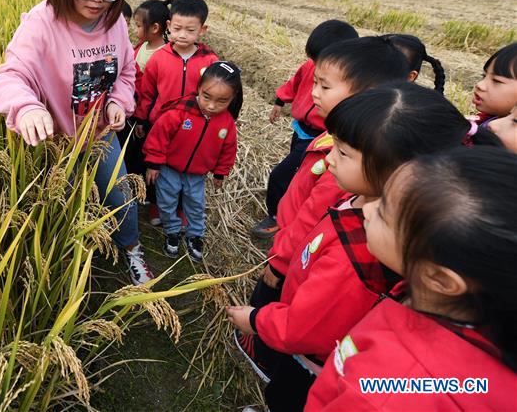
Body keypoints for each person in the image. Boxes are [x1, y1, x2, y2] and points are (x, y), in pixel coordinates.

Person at [228, 83, 497, 412]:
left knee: (287, 398)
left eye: (342, 152)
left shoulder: (358, 261)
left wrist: (257, 320)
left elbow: (305, 327)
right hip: (324, 354)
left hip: (312, 363)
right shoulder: (376, 214)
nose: (370, 211)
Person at [0, 0, 153, 285]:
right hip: (58, 142)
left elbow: (126, 71)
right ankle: (71, 271)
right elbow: (9, 76)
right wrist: (28, 107)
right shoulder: (42, 22)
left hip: (100, 134)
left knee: (119, 191)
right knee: (62, 206)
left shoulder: (113, 23)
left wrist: (118, 101)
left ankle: (130, 249)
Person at [306, 147, 517, 410]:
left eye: (383, 212)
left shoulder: (390, 390)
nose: (368, 210)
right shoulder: (481, 313)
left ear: (441, 279)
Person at [252, 37, 410, 309]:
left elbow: (311, 216)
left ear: (368, 95)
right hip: (290, 242)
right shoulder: (334, 136)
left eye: (324, 86)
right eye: (315, 82)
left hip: (297, 257)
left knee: (270, 307)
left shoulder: (345, 166)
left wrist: (279, 263)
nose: (314, 92)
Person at [253, 20, 359, 239]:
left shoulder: (348, 84)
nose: (316, 91)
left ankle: (277, 218)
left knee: (280, 177)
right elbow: (295, 82)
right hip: (301, 130)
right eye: (314, 59)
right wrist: (280, 101)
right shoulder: (310, 67)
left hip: (318, 139)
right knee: (294, 176)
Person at [143, 61, 242, 262]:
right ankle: (172, 231)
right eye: (206, 97)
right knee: (167, 200)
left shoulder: (226, 123)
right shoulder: (180, 111)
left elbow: (228, 149)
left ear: (232, 99)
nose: (212, 106)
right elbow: (158, 136)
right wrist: (153, 163)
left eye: (222, 101)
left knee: (196, 204)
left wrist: (220, 173)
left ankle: (195, 234)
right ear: (198, 88)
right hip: (169, 169)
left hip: (197, 174)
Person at [120, 0, 172, 219]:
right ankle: (136, 190)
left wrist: (143, 118)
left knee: (152, 160)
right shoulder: (140, 48)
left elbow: (155, 93)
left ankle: (154, 201)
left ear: (155, 28)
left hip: (153, 119)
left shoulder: (165, 55)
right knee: (134, 155)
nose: (135, 29)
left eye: (138, 25)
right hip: (136, 115)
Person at [134, 0, 220, 126]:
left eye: (190, 30)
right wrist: (141, 119)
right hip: (159, 123)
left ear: (202, 30)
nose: (182, 35)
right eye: (177, 28)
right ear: (169, 25)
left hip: (193, 124)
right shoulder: (158, 58)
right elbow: (147, 93)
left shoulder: (209, 60)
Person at [473, 42, 517, 127]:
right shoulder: (485, 120)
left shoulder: (509, 138)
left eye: (496, 81)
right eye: (483, 76)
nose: (479, 85)